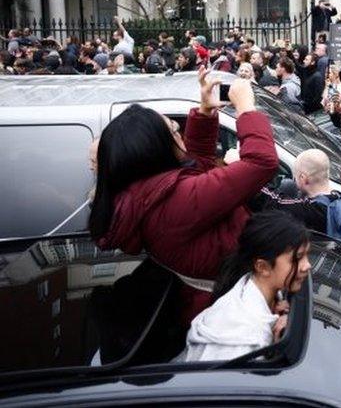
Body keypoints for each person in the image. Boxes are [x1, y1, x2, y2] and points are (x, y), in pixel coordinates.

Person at [89, 71, 279, 325]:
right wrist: (246, 108)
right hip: (232, 313)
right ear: (157, 148)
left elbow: (194, 167)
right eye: (175, 130)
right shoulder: (175, 201)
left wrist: (205, 112)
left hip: (215, 302)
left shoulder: (147, 191)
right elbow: (262, 162)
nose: (181, 134)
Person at [180, 211, 311, 362]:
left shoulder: (269, 295)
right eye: (298, 258)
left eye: (307, 255)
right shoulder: (240, 345)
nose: (307, 265)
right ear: (263, 267)